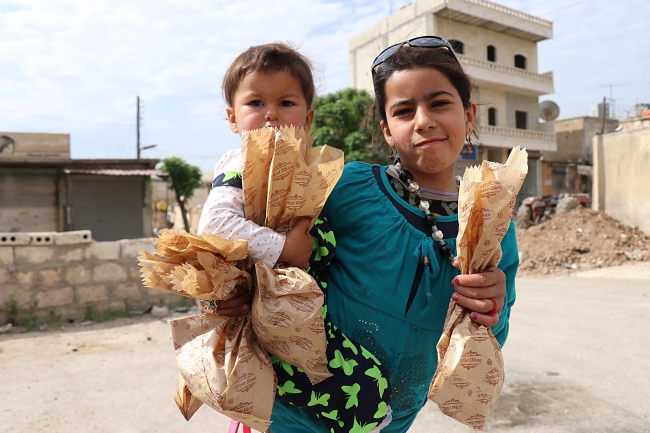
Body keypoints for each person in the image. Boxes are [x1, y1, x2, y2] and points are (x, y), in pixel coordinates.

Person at [267, 36, 519, 432]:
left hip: (388, 423)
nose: (423, 121)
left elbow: (491, 337)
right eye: (404, 111)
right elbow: (263, 238)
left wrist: (491, 307)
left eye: (439, 103)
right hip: (290, 414)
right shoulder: (345, 188)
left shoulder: (492, 223)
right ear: (386, 129)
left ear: (469, 116)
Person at [197, 42, 392, 433]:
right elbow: (214, 225)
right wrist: (285, 248)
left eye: (286, 103)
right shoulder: (240, 165)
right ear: (233, 119)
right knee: (357, 383)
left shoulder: (296, 170)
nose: (271, 114)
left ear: (307, 119)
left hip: (294, 307)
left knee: (346, 371)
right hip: (270, 311)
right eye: (255, 103)